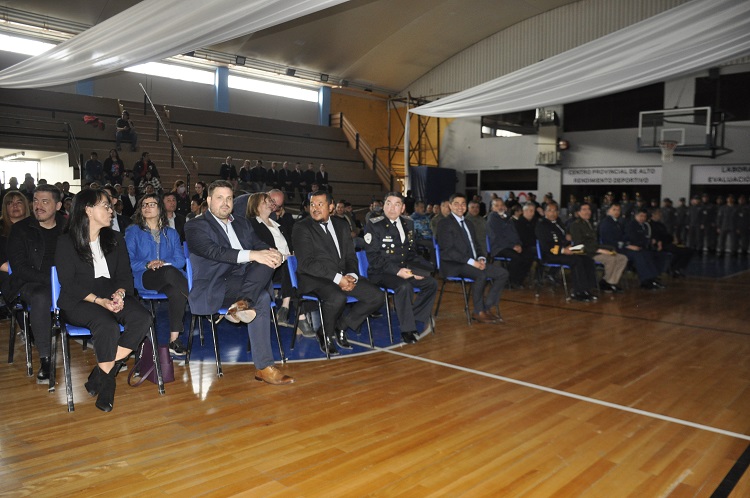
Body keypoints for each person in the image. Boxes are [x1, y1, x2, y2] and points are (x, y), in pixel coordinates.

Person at [184, 180, 293, 385]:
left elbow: (259, 244)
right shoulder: (195, 225)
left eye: (229, 198)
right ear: (208, 200)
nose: (225, 203)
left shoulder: (242, 223)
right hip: (217, 284)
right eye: (219, 198)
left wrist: (273, 252)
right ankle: (244, 306)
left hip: (244, 281)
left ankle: (242, 305)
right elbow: (214, 252)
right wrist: (254, 254)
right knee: (260, 294)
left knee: (267, 262)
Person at [55, 188, 151, 412]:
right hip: (79, 299)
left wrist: (119, 294)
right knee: (106, 325)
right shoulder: (66, 242)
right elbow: (68, 283)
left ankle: (101, 372)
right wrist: (100, 301)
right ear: (88, 210)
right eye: (105, 206)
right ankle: (108, 385)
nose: (111, 210)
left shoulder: (116, 238)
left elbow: (125, 276)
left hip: (110, 294)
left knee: (142, 317)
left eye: (110, 206)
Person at [292, 190, 382, 354]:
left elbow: (350, 256)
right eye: (312, 204)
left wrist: (352, 276)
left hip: (342, 276)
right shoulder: (301, 227)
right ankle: (325, 333)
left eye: (320, 204)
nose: (315, 208)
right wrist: (338, 278)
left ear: (331, 206)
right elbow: (307, 263)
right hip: (314, 278)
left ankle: (342, 326)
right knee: (337, 297)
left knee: (376, 296)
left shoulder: (341, 225)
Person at [7, 185, 65, 382]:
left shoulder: (68, 228)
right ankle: (46, 358)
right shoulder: (20, 229)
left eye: (45, 201)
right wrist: (52, 280)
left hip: (63, 281)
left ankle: (106, 348)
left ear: (58, 205)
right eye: (36, 201)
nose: (38, 206)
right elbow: (19, 267)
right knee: (41, 297)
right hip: (30, 283)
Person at [364, 192, 437, 344]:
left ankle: (414, 316)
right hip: (381, 272)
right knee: (404, 286)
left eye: (397, 204)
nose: (392, 208)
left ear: (403, 208)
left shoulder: (408, 223)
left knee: (431, 283)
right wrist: (399, 272)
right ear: (383, 206)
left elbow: (411, 253)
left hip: (404, 268)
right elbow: (374, 258)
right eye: (388, 203)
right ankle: (407, 329)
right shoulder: (373, 224)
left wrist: (423, 269)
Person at [125, 194, 188, 356]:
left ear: (160, 208)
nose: (147, 207)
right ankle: (196, 300)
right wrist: (147, 264)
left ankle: (174, 340)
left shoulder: (171, 233)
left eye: (151, 204)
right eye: (144, 205)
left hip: (169, 276)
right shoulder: (133, 232)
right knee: (170, 273)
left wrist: (162, 262)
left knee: (175, 290)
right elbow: (127, 261)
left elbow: (180, 261)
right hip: (145, 276)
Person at [437, 193, 509, 323]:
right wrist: (472, 262)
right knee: (480, 275)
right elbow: (449, 251)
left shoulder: (469, 223)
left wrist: (481, 258)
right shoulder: (444, 223)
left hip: (472, 263)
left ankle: (486, 307)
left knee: (502, 273)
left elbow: (476, 244)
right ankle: (478, 311)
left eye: (463, 203)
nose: (460, 206)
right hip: (454, 264)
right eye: (456, 204)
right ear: (450, 206)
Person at [245, 193, 299, 332]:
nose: (270, 203)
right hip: (269, 267)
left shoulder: (277, 225)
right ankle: (288, 307)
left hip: (286, 264)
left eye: (270, 200)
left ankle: (291, 309)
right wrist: (283, 256)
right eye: (266, 201)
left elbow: (290, 244)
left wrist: (291, 254)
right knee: (289, 264)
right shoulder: (252, 224)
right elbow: (260, 246)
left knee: (294, 264)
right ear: (256, 206)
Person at [536, 201, 599, 302]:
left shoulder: (559, 223)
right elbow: (546, 246)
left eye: (555, 210)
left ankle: (587, 289)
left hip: (565, 250)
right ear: (545, 212)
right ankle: (578, 292)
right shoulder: (542, 225)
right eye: (550, 211)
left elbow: (562, 239)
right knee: (576, 260)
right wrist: (562, 250)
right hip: (551, 254)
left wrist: (567, 241)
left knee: (587, 258)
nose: (553, 213)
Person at [600, 204, 665, 290]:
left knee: (645, 253)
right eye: (614, 210)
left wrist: (629, 243)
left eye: (618, 210)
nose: (617, 212)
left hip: (622, 246)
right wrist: (628, 245)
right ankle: (645, 281)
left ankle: (651, 278)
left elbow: (624, 237)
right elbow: (611, 240)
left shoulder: (617, 222)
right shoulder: (606, 223)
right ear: (608, 211)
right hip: (613, 248)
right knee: (638, 255)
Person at [569, 202, 627, 293]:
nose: (587, 212)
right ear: (578, 213)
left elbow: (594, 242)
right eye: (584, 210)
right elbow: (579, 245)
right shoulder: (575, 225)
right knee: (611, 259)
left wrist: (608, 248)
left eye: (588, 209)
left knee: (622, 258)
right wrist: (599, 250)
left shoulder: (590, 223)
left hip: (595, 250)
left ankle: (609, 282)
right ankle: (607, 284)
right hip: (586, 253)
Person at [487, 198, 534, 288]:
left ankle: (519, 280)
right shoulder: (492, 218)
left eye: (501, 205)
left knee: (528, 255)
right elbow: (497, 237)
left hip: (510, 246)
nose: (500, 207)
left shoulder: (508, 218)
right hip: (499, 247)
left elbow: (515, 234)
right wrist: (513, 246)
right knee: (517, 258)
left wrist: (519, 244)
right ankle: (510, 281)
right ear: (492, 208)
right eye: (497, 206)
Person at [649, 208, 693, 277]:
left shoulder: (660, 224)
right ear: (653, 215)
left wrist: (673, 239)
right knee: (683, 252)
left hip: (667, 243)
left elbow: (666, 235)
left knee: (688, 251)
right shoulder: (650, 225)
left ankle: (675, 268)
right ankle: (674, 269)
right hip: (660, 244)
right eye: (659, 214)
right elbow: (655, 236)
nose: (660, 215)